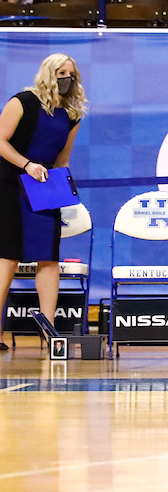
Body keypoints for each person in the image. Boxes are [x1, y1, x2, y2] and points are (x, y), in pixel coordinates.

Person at [0, 54, 87, 351]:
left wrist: (63, 187)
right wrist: (26, 165)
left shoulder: (72, 115)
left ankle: (48, 332)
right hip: (11, 182)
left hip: (44, 187)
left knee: (48, 256)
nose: (67, 78)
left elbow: (62, 159)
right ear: (48, 73)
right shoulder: (22, 101)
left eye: (71, 74)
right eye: (61, 72)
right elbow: (1, 140)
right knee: (8, 255)